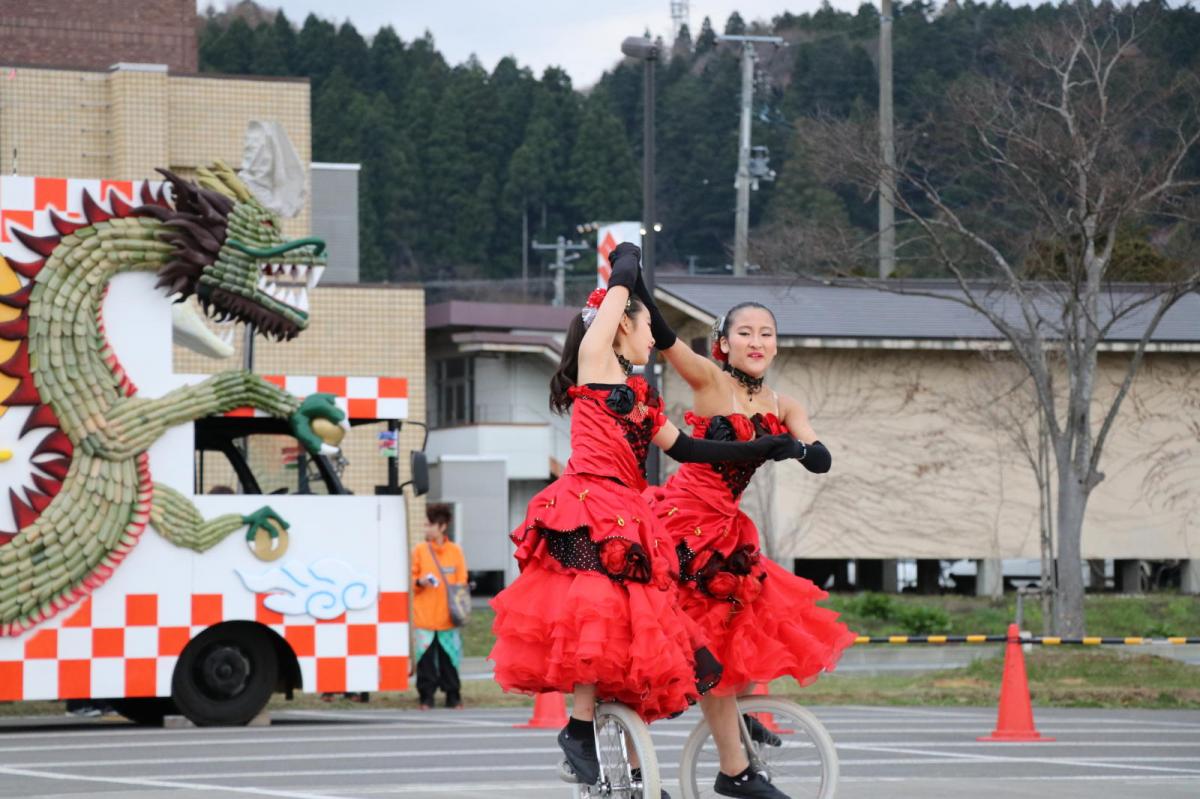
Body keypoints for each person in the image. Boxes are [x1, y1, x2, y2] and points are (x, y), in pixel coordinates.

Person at [489, 243, 810, 790]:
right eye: (643, 329)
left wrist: (767, 446)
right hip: (589, 502)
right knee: (599, 610)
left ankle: (638, 750)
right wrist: (627, 265)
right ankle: (578, 730)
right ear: (620, 326)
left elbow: (690, 449)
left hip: (627, 510)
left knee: (643, 625)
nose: (650, 341)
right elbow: (619, 291)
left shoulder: (640, 400)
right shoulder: (596, 364)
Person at [638, 288, 857, 799]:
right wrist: (636, 281)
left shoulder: (785, 404)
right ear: (724, 343)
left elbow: (821, 458)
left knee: (740, 630)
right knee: (703, 646)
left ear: (776, 345)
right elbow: (667, 339)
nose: (756, 341)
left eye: (766, 334)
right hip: (684, 522)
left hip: (727, 527)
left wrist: (795, 447)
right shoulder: (709, 379)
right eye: (745, 333)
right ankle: (734, 768)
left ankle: (734, 730)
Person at [411, 503, 468, 710]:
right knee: (425, 660)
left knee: (449, 659)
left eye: (429, 525)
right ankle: (426, 697)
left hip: (448, 617)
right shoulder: (419, 551)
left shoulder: (455, 551)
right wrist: (420, 582)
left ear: (442, 526)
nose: (426, 528)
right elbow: (411, 579)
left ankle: (453, 696)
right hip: (424, 617)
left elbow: (462, 580)